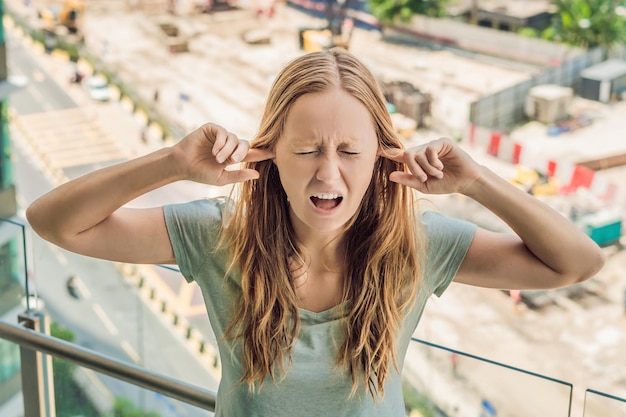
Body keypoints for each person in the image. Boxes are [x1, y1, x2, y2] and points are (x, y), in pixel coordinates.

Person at [26, 48, 605, 416]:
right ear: (271, 151)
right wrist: (173, 163)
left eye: (351, 151)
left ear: (383, 155)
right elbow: (54, 222)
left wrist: (477, 182)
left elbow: (576, 263)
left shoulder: (418, 245)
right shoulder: (218, 236)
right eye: (305, 149)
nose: (328, 173)